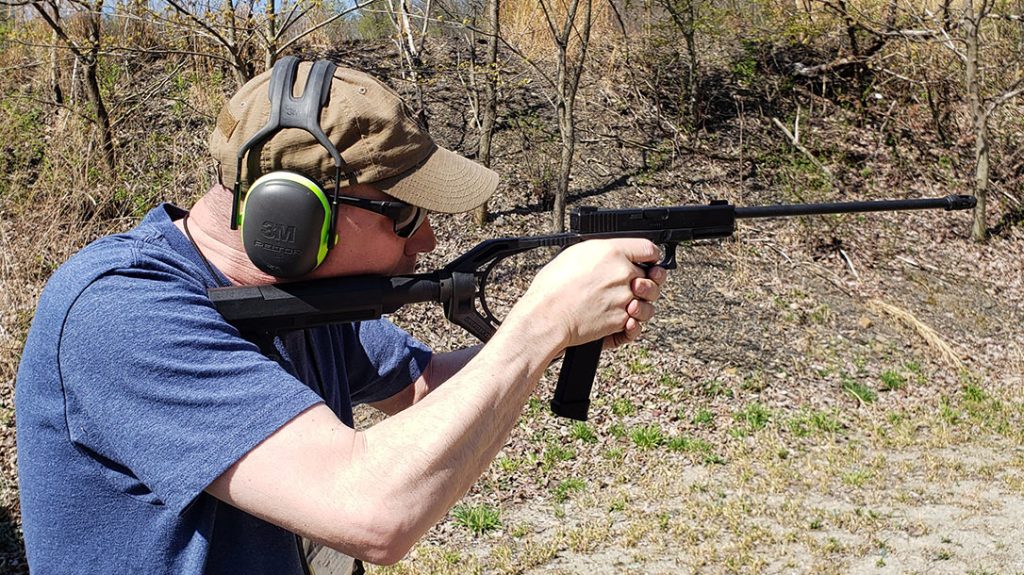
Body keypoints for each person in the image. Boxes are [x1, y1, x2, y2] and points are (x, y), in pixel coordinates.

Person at [15, 57, 667, 574]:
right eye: (405, 214)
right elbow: (371, 512)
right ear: (292, 218)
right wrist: (539, 326)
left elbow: (420, 386)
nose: (426, 243)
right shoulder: (119, 312)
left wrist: (561, 331)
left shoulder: (302, 301)